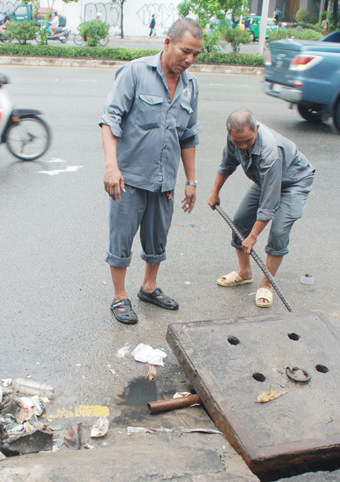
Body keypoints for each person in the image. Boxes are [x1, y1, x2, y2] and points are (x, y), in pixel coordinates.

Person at [100, 18, 203, 325]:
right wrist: (111, 166)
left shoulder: (191, 85)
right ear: (168, 43)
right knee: (121, 239)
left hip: (164, 180)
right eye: (186, 51)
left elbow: (189, 136)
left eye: (196, 54)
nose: (190, 59)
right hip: (128, 178)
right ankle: (120, 297)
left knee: (157, 238)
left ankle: (149, 287)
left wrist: (191, 180)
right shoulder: (135, 73)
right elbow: (110, 120)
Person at [207, 110, 314, 308]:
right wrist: (215, 193)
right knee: (239, 222)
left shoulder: (270, 151)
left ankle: (266, 284)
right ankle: (245, 273)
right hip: (263, 180)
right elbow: (226, 165)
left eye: (248, 141)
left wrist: (254, 235)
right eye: (239, 142)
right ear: (229, 132)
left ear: (256, 128)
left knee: (279, 231)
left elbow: (269, 203)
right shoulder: (235, 138)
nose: (244, 146)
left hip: (294, 182)